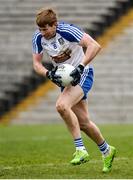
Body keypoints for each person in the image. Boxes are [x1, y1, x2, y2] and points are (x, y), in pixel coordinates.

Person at [32, 8, 116, 173]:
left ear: (54, 25)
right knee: (84, 122)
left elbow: (94, 45)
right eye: (40, 29)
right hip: (66, 80)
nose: (42, 33)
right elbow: (36, 64)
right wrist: (48, 73)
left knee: (62, 106)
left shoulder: (67, 31)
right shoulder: (38, 38)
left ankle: (80, 150)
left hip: (82, 74)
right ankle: (107, 150)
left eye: (45, 29)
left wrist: (80, 66)